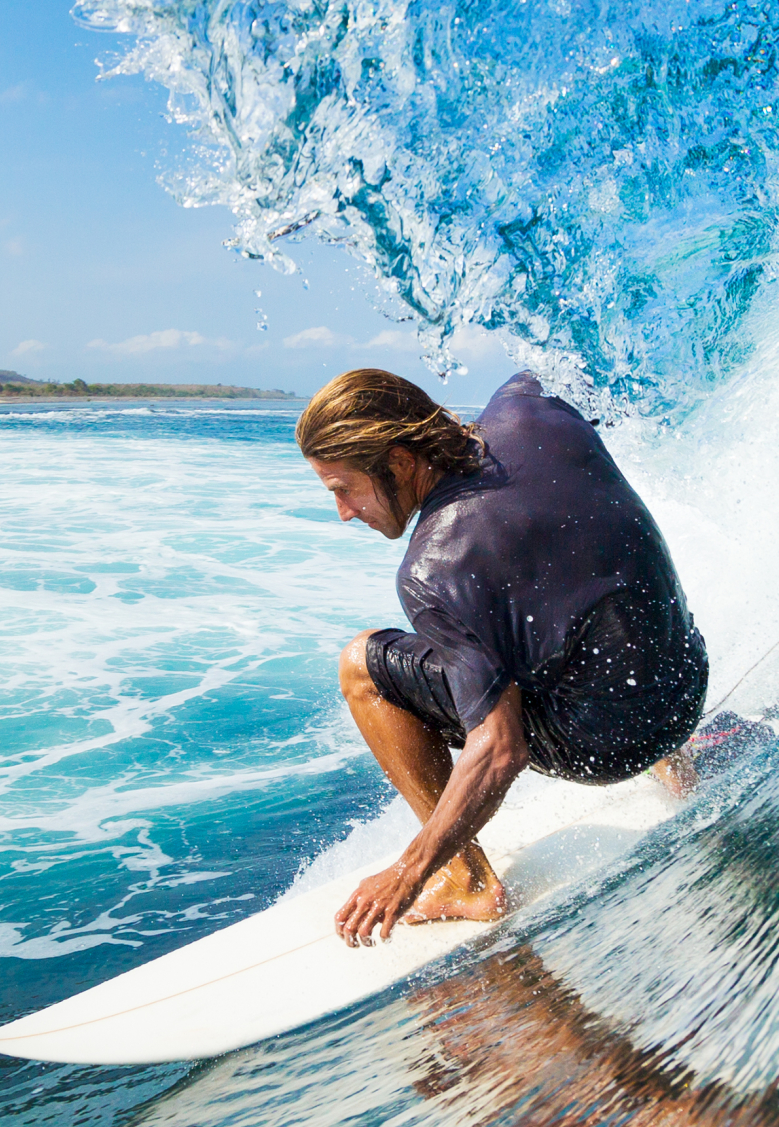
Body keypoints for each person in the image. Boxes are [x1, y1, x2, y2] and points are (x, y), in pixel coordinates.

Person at [298, 367, 708, 944]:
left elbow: (500, 747)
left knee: (361, 665)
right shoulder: (530, 406)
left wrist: (407, 873)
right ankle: (679, 762)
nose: (343, 510)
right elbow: (572, 370)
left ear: (397, 463)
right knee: (557, 589)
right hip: (686, 685)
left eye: (343, 488)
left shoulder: (431, 568)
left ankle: (465, 880)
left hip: (608, 747)